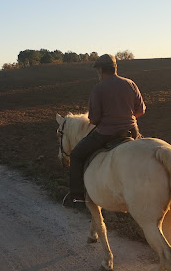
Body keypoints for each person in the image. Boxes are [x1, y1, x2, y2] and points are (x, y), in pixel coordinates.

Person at [63, 54, 146, 209]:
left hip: (107, 133)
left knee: (76, 155)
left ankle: (77, 197)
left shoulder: (98, 88)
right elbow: (140, 110)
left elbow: (94, 119)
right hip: (131, 131)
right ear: (115, 68)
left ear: (100, 70)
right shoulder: (130, 84)